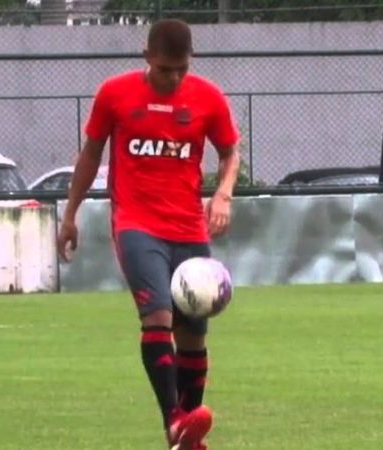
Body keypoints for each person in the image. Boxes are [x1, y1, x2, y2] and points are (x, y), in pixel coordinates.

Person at [55, 18, 242, 450]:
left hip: (189, 227)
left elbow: (230, 150)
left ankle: (185, 436)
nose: (174, 78)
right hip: (137, 225)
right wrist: (70, 215)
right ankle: (174, 421)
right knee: (158, 316)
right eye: (164, 70)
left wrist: (224, 194)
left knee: (193, 330)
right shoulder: (115, 94)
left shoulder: (208, 98)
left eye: (181, 69)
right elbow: (89, 156)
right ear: (146, 58)